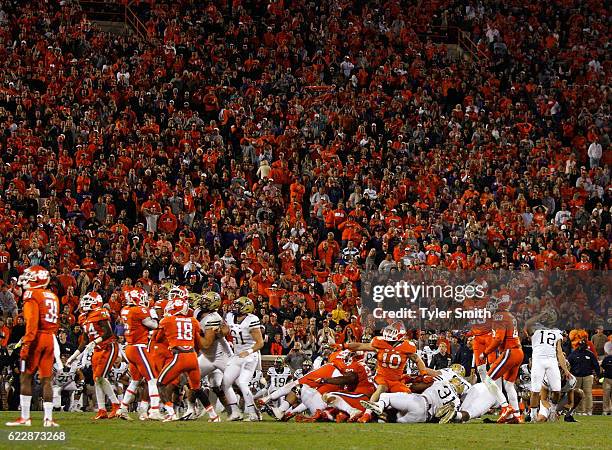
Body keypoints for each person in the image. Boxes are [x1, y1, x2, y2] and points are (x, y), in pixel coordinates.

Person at [6, 266, 60, 427]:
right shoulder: (52, 295)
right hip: (50, 338)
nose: (26, 279)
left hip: (36, 338)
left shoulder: (31, 295)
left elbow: (32, 324)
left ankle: (25, 417)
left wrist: (26, 344)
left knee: (26, 377)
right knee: (46, 380)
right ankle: (48, 419)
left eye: (30, 276)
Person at [66, 292, 121, 419]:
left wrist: (95, 342)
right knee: (97, 379)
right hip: (96, 349)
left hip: (109, 346)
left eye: (88, 300)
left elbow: (108, 333)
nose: (85, 302)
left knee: (99, 377)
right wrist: (73, 356)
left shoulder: (100, 312)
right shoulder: (82, 317)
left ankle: (116, 405)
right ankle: (102, 410)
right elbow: (85, 340)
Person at [116, 287, 163, 420]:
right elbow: (153, 325)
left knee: (135, 381)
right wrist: (154, 316)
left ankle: (123, 408)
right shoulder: (138, 310)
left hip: (130, 347)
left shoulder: (125, 309)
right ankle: (154, 410)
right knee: (152, 379)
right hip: (139, 347)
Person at [221, 296, 264, 421]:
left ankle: (253, 413)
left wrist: (248, 351)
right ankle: (235, 412)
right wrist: (221, 331)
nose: (235, 307)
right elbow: (228, 332)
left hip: (250, 355)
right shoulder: (230, 316)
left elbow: (260, 343)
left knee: (243, 383)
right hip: (237, 355)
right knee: (225, 382)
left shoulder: (252, 320)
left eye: (238, 305)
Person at [567, 338, 601, 415]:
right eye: (581, 345)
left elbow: (596, 365)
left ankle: (588, 411)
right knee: (577, 394)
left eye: (584, 345)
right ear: (579, 345)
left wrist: (598, 375)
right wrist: (569, 374)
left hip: (587, 376)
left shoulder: (590, 354)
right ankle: (579, 411)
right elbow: (568, 365)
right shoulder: (573, 354)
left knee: (588, 393)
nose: (582, 347)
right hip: (576, 377)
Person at [601, 341, 612, 415]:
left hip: (607, 378)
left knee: (606, 396)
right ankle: (605, 410)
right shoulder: (606, 358)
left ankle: (606, 410)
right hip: (607, 379)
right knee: (606, 395)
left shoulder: (606, 358)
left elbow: (602, 367)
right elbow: (602, 367)